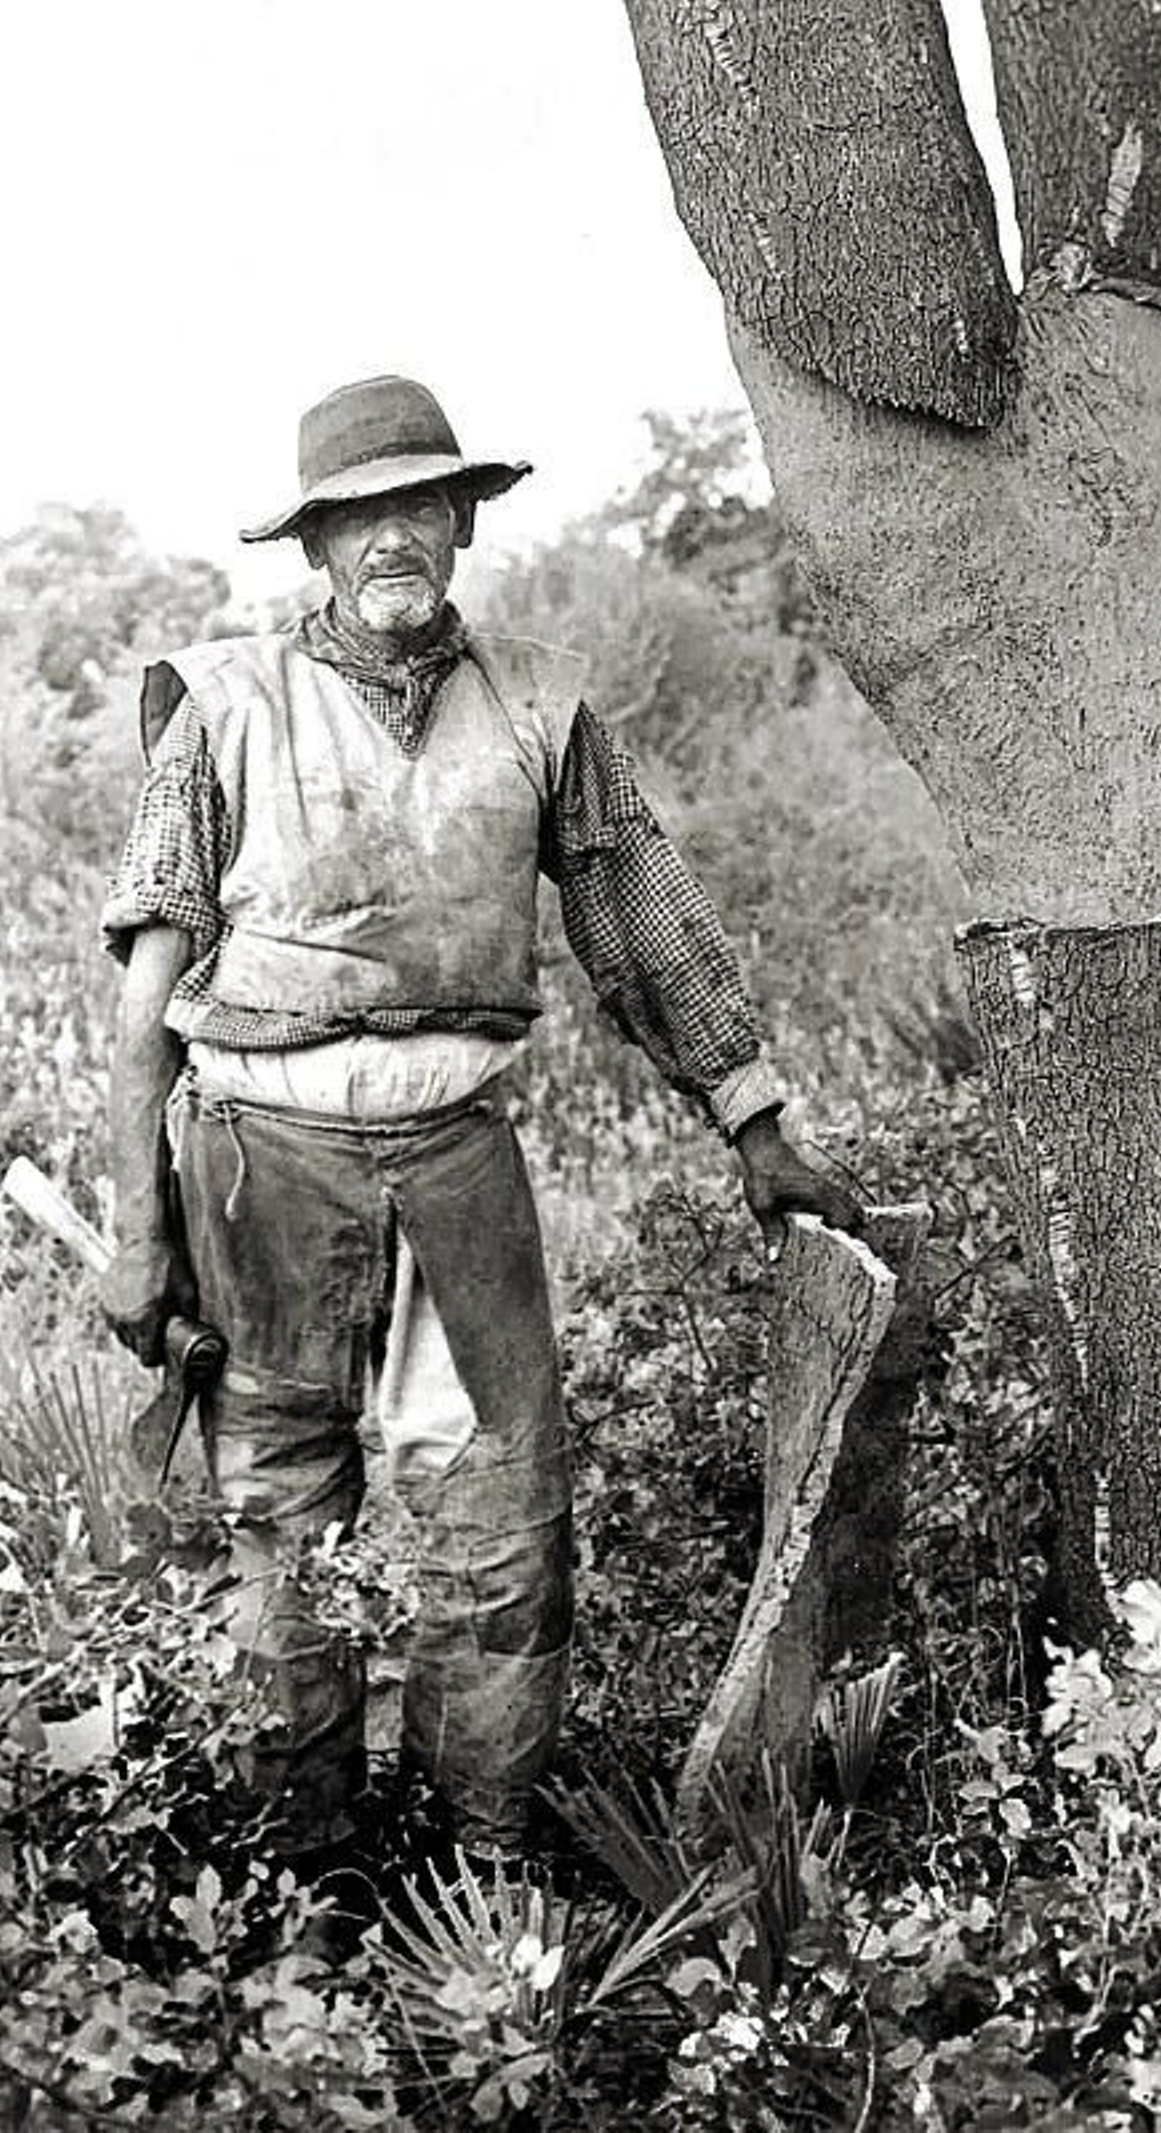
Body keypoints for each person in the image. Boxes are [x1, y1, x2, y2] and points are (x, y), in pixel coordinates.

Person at [98, 374, 860, 1867]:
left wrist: (756, 1123)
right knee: (282, 1526)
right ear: (315, 545)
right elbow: (143, 1013)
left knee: (504, 1532)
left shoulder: (541, 706)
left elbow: (642, 925)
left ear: (460, 521)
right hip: (263, 1170)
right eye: (358, 515)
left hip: (458, 1164)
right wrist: (137, 1234)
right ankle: (297, 1878)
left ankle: (482, 1868)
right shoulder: (224, 707)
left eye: (418, 505)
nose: (393, 537)